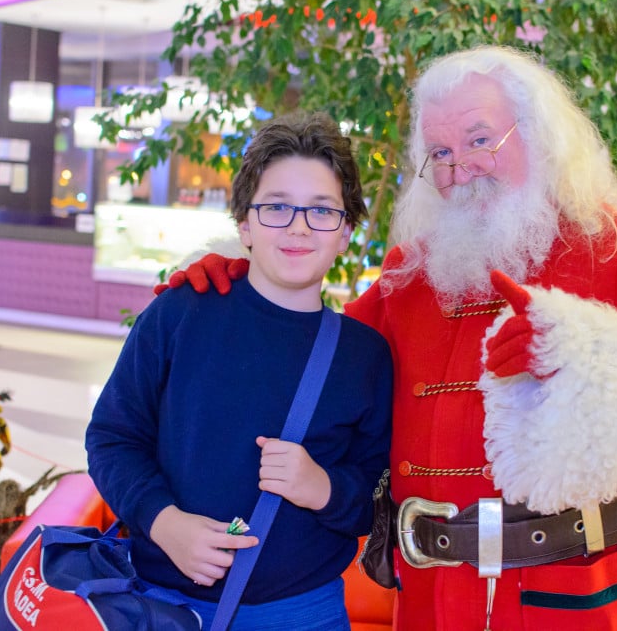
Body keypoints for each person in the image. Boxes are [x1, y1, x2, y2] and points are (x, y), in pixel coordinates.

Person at [166, 46, 617, 630]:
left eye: (479, 140)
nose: (459, 168)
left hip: (577, 597)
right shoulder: (410, 274)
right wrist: (247, 283)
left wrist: (582, 356)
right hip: (431, 600)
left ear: (541, 138)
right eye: (440, 153)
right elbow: (315, 354)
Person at [85, 112, 393, 630]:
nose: (298, 226)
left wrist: (322, 487)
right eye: (277, 207)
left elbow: (377, 497)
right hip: (161, 604)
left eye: (322, 210)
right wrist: (164, 522)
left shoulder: (364, 356)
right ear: (245, 224)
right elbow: (112, 438)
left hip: (302, 614)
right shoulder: (181, 314)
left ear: (345, 232)